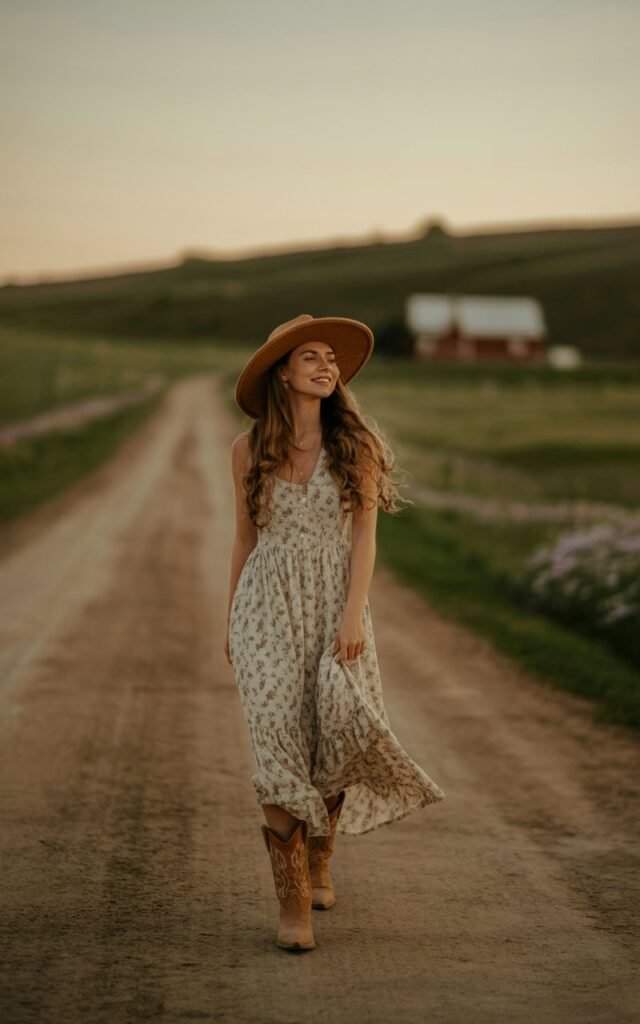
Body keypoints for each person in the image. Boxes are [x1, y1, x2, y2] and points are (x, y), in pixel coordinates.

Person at [225, 313, 445, 952]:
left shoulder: (357, 445)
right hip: (264, 606)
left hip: (334, 604)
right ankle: (293, 907)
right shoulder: (247, 449)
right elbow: (243, 538)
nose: (327, 367)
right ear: (282, 374)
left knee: (334, 729)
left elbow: (366, 538)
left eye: (331, 358)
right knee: (276, 741)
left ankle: (321, 853)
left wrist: (354, 613)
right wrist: (230, 620)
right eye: (310, 358)